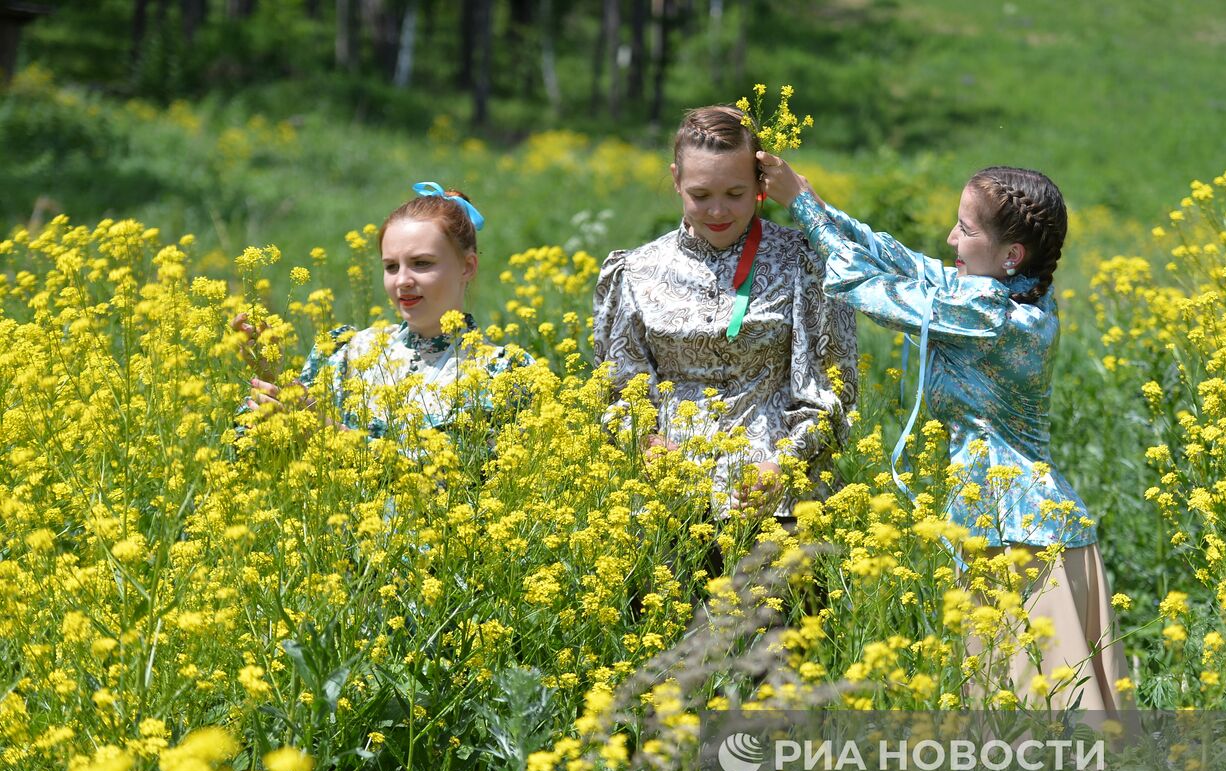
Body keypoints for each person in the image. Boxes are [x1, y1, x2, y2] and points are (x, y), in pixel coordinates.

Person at [759, 153, 1130, 713]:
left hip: (1018, 537)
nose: (951, 237)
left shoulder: (989, 315)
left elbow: (863, 285)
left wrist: (801, 208)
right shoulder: (1016, 291)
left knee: (1037, 724)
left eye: (967, 229)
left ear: (1011, 254)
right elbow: (901, 260)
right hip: (1018, 528)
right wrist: (812, 199)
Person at [592, 106, 858, 523]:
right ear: (676, 180)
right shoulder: (636, 271)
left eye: (735, 194)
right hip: (668, 505)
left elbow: (831, 391)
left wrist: (781, 466)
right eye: (700, 195)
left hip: (780, 503)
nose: (718, 211)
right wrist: (647, 445)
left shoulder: (802, 263)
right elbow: (618, 392)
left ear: (760, 184)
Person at [236, 183, 530, 454]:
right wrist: (272, 377)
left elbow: (450, 475)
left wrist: (323, 430)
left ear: (467, 267)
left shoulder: (502, 373)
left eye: (421, 263)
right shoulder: (348, 352)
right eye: (391, 267)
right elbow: (258, 452)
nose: (402, 280)